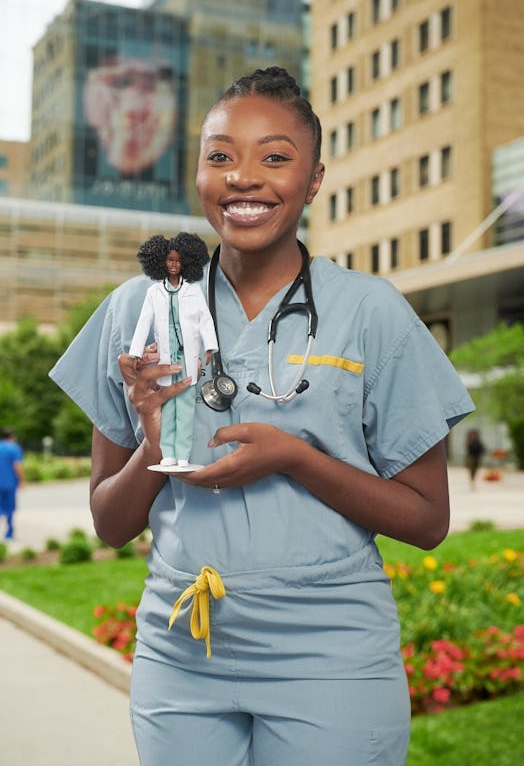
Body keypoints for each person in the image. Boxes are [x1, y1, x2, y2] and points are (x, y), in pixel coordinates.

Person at [50, 66, 474, 765]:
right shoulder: (141, 308)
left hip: (330, 654)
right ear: (198, 173)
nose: (244, 177)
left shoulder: (371, 313)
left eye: (274, 157)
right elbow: (110, 522)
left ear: (313, 179)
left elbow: (427, 521)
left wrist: (295, 458)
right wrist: (155, 444)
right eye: (221, 156)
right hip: (181, 648)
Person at [129, 232, 218, 468]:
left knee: (186, 408)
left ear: (186, 263)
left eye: (178, 261)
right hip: (168, 358)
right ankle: (168, 451)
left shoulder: (193, 291)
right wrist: (136, 351)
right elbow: (144, 321)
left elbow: (205, 320)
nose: (174, 265)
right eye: (169, 260)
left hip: (188, 356)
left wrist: (210, 346)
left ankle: (183, 454)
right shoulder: (154, 292)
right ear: (161, 262)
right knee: (168, 405)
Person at [0, 428, 24, 540]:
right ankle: (9, 533)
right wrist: (22, 480)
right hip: (9, 483)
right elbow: (17, 466)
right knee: (10, 508)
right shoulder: (14, 448)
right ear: (12, 436)